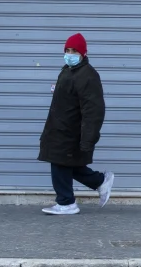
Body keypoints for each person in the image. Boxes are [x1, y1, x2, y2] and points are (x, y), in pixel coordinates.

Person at [38, 32, 114, 215]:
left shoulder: (88, 75)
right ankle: (99, 181)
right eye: (67, 50)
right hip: (59, 128)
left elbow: (94, 111)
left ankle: (66, 202)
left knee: (59, 163)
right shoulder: (69, 70)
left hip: (71, 131)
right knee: (66, 164)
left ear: (83, 53)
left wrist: (88, 139)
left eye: (74, 51)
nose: (70, 54)